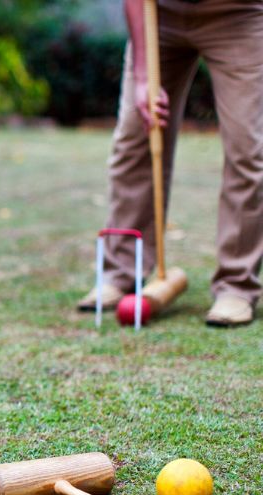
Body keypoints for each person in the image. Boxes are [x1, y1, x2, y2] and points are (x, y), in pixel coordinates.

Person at [78, 0, 263, 326]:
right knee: (134, 140)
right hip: (158, 13)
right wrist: (142, 77)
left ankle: (236, 284)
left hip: (238, 14)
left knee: (247, 150)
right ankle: (121, 272)